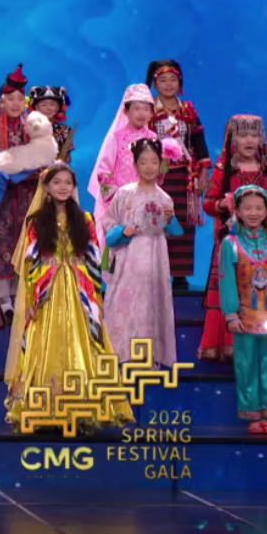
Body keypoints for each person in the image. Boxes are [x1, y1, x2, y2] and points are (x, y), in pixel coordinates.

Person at [4, 163, 134, 433]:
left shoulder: (84, 219)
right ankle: (44, 408)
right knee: (45, 346)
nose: (63, 187)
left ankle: (84, 408)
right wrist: (33, 299)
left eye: (67, 182)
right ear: (47, 188)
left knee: (86, 344)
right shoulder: (36, 221)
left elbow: (93, 257)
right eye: (57, 182)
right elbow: (31, 262)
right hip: (48, 292)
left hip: (79, 291)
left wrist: (93, 295)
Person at [198, 115, 267, 362]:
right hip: (233, 241)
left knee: (265, 288)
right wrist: (224, 204)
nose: (249, 141)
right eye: (243, 135)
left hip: (264, 243)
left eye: (254, 135)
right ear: (233, 140)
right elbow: (208, 204)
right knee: (232, 288)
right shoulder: (224, 168)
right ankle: (228, 345)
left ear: (261, 139)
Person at [101, 138, 183, 367]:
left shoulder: (164, 198)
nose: (149, 167)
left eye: (154, 162)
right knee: (124, 303)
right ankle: (120, 353)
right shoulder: (124, 194)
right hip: (129, 258)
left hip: (156, 258)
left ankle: (150, 356)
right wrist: (122, 231)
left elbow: (175, 232)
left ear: (161, 164)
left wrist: (170, 219)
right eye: (143, 162)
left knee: (151, 305)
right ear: (135, 164)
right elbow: (108, 225)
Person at [217, 185, 267, 434]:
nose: (253, 213)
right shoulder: (230, 244)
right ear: (237, 211)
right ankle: (252, 413)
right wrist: (231, 314)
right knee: (246, 365)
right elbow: (226, 280)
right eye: (247, 208)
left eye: (258, 208)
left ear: (266, 211)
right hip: (244, 318)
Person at [146, 59, 210, 292]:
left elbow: (199, 142)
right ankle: (155, 272)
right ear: (155, 84)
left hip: (184, 177)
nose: (168, 84)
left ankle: (180, 275)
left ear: (180, 82)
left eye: (173, 79)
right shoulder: (148, 110)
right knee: (156, 221)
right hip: (156, 176)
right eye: (163, 80)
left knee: (182, 222)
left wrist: (203, 173)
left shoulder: (188, 110)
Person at [0, 64, 35, 318]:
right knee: (0, 241)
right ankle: (2, 299)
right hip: (0, 197)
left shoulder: (33, 130)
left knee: (25, 240)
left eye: (20, 99)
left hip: (27, 195)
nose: (15, 103)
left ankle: (23, 295)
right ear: (1, 102)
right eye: (10, 99)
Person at [88, 84, 158, 229]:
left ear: (151, 113)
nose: (142, 113)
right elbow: (103, 171)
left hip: (146, 201)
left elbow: (159, 172)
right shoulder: (116, 138)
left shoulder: (153, 139)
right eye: (136, 108)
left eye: (146, 109)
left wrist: (164, 166)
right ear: (126, 111)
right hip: (119, 203)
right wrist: (118, 196)